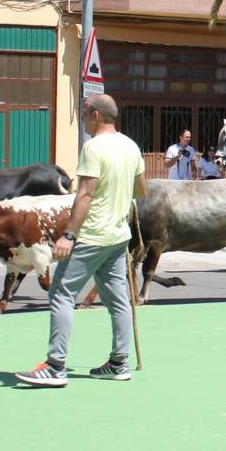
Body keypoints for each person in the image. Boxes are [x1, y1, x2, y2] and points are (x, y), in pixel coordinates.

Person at [16, 93, 145, 387]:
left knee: (61, 293)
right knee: (118, 300)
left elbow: (84, 194)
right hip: (117, 236)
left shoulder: (93, 147)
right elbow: (140, 190)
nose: (83, 118)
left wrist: (68, 235)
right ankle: (119, 362)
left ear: (96, 115)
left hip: (91, 236)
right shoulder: (131, 146)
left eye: (85, 112)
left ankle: (55, 366)